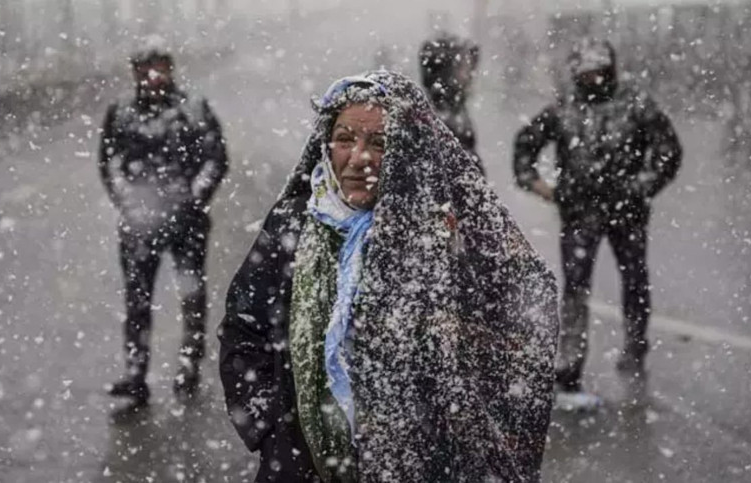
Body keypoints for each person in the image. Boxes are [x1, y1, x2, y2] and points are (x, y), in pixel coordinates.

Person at [219, 71, 558, 482]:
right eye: (345, 139)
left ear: (407, 151)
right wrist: (271, 430)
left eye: (379, 143)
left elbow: (518, 322)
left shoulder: (441, 237)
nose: (359, 157)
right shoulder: (295, 224)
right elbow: (244, 328)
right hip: (300, 465)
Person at [513, 38, 682, 396]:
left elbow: (669, 151)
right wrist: (541, 187)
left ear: (610, 70)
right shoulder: (565, 107)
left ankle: (636, 345)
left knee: (635, 280)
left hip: (628, 212)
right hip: (579, 212)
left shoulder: (635, 103)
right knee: (575, 288)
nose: (592, 80)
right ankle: (570, 361)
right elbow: (525, 144)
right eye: (585, 74)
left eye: (598, 72)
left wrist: (640, 187)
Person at [99, 45, 228, 404]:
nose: (152, 76)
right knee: (137, 301)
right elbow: (108, 164)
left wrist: (194, 198)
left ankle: (189, 364)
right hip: (139, 224)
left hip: (188, 221)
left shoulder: (194, 109)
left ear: (171, 70)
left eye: (159, 68)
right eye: (144, 69)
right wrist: (129, 202)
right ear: (134, 73)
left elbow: (217, 159)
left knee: (192, 295)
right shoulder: (121, 113)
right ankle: (136, 374)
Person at [419, 34, 483, 172]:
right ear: (447, 72)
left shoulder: (453, 107)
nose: (470, 75)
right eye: (464, 67)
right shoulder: (440, 117)